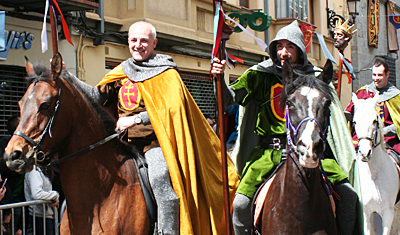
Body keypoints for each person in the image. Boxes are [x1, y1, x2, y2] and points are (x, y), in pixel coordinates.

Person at [69, 21, 239, 235]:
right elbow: (95, 96)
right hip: (122, 143)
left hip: (155, 144)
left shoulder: (166, 72)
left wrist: (136, 119)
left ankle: (168, 231)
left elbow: (172, 108)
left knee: (160, 180)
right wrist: (68, 77)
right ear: (128, 42)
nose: (138, 45)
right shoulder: (122, 71)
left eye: (144, 41)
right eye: (133, 40)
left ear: (154, 43)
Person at [211, 20, 359, 235]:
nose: (284, 52)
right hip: (267, 154)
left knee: (348, 196)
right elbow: (229, 100)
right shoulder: (259, 75)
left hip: (312, 151)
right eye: (279, 46)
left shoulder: (313, 78)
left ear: (299, 50)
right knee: (241, 204)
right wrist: (219, 78)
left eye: (289, 47)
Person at [345, 58, 400, 154]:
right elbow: (351, 114)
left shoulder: (396, 96)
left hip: (388, 141)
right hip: (362, 140)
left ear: (387, 75)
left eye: (380, 75)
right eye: (374, 75)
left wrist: (383, 131)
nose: (376, 78)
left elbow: (398, 124)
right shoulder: (362, 93)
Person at [24, 165, 59, 235]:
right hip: (39, 217)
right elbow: (37, 194)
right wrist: (55, 195)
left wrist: (53, 198)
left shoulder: (42, 169)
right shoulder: (34, 171)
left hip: (45, 216)